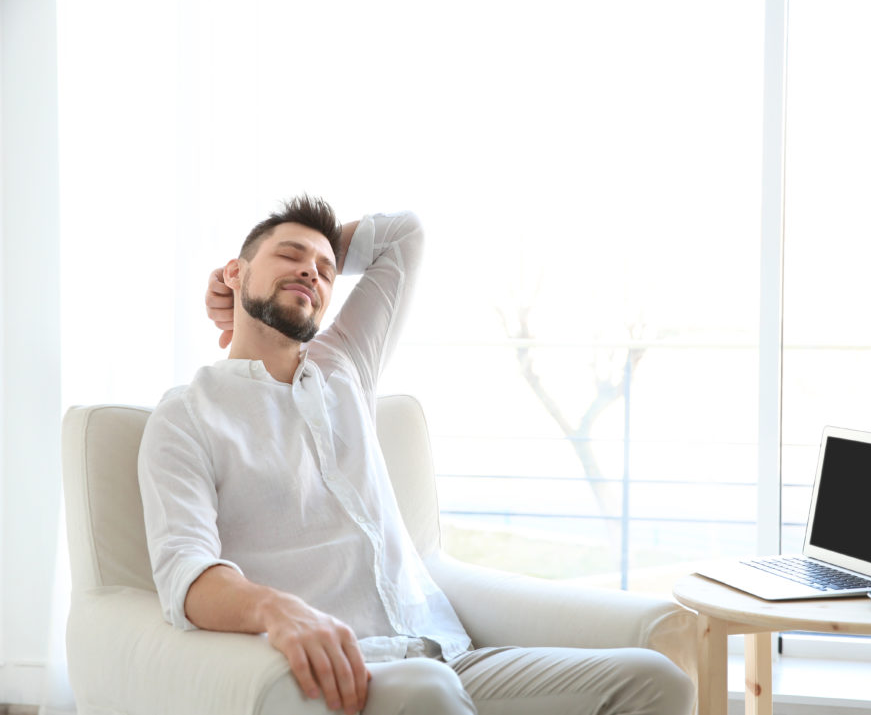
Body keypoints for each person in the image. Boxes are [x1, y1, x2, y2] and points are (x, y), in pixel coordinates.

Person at [138, 195, 694, 715]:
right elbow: (186, 574)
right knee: (431, 693)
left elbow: (404, 237)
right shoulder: (188, 414)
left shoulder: (343, 367)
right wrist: (276, 610)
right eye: (290, 254)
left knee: (657, 680)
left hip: (449, 651)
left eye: (327, 269)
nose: (313, 270)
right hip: (352, 667)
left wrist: (282, 271)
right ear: (233, 273)